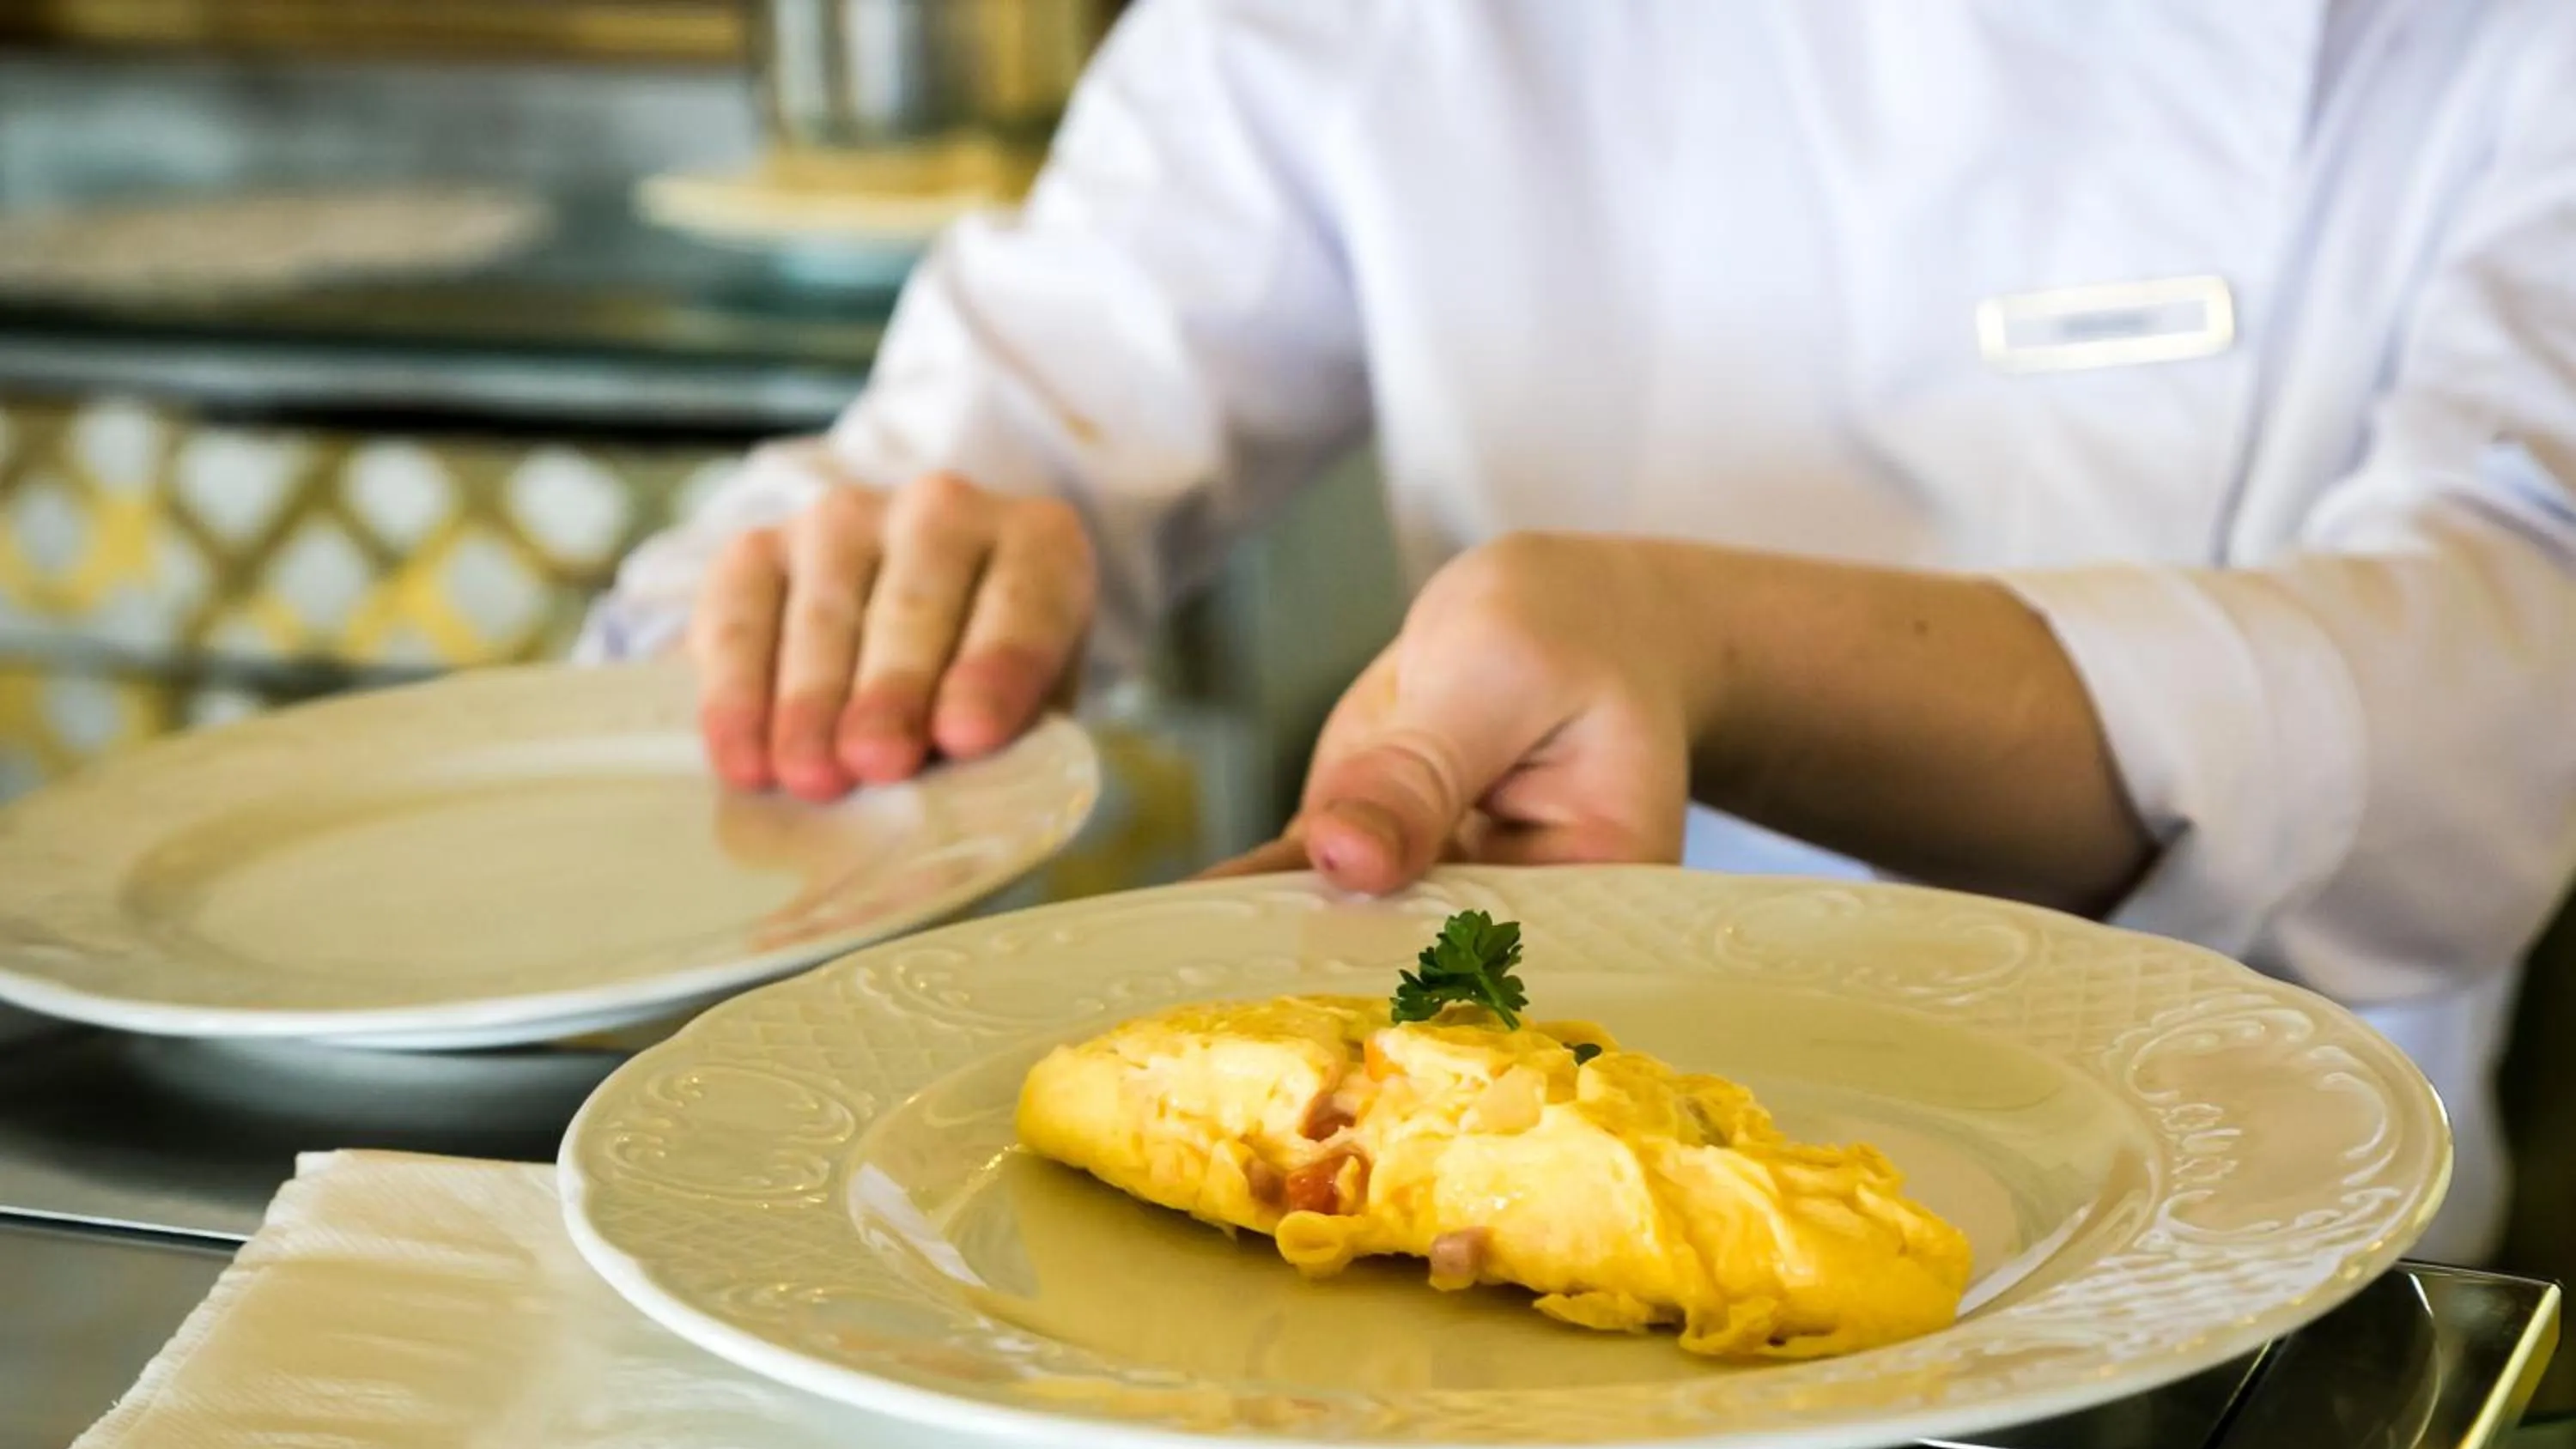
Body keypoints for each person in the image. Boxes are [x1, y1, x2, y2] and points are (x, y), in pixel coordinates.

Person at [581, 0, 2576, 1264]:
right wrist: (882, 593)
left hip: (2254, 1278)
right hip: (1462, 1307)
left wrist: (1708, 648)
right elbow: (972, 446)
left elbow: (2504, 676)